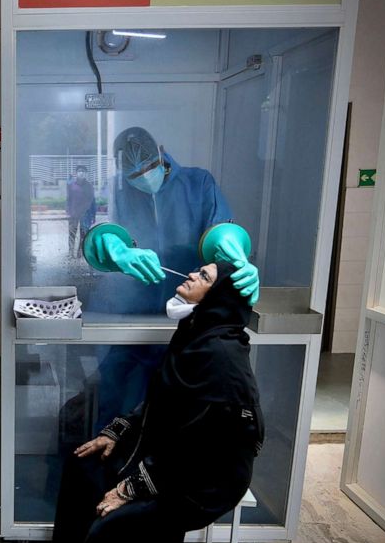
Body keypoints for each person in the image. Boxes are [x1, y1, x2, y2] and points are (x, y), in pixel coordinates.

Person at [54, 261, 264, 543]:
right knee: (86, 466)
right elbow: (162, 399)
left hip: (206, 480)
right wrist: (118, 430)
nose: (190, 276)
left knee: (116, 530)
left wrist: (131, 488)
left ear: (220, 297)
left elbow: (203, 446)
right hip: (175, 460)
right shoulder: (197, 333)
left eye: (204, 277)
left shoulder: (220, 356)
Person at [88, 127, 260, 425]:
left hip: (187, 319)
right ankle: (108, 462)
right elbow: (100, 231)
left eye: (150, 167)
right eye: (134, 174)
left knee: (170, 407)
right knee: (113, 398)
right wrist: (115, 248)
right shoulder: (118, 190)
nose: (143, 177)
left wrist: (231, 245)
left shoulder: (198, 183)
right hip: (133, 313)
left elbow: (219, 229)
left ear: (161, 152)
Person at [67, 165, 96, 258]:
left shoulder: (89, 186)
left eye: (83, 171)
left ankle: (80, 252)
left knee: (83, 234)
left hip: (85, 214)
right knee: (72, 233)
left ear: (86, 174)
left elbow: (93, 201)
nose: (81, 173)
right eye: (79, 171)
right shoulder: (71, 186)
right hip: (73, 214)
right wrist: (68, 211)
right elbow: (68, 199)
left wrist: (93, 215)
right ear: (76, 173)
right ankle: (70, 252)